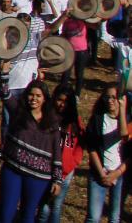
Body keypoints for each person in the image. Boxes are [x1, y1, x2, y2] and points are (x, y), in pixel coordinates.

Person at [0, 80, 62, 223]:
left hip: (38, 177)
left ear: (45, 98)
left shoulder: (52, 123)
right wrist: (4, 72)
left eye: (38, 96)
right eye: (31, 95)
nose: (34, 99)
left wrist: (57, 179)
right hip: (13, 170)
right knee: (6, 214)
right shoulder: (18, 112)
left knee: (28, 216)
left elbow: (57, 153)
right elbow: (4, 92)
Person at [37, 84, 84, 223]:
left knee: (56, 206)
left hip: (66, 171)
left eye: (66, 101)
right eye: (59, 100)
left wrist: (73, 162)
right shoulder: (47, 117)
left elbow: (80, 146)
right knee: (44, 207)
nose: (62, 104)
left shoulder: (75, 122)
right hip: (47, 168)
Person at [84, 86, 128, 223]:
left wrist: (116, 174)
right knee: (93, 217)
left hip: (119, 174)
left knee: (114, 218)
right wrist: (102, 173)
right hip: (98, 174)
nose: (110, 101)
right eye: (107, 97)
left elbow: (124, 135)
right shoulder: (97, 120)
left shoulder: (128, 121)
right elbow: (91, 148)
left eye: (114, 98)